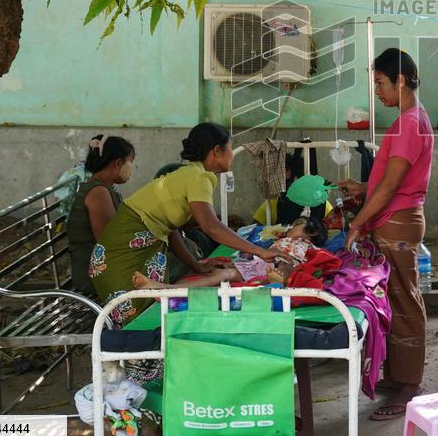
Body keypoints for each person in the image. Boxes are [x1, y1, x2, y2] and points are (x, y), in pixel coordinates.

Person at [89, 122, 288, 325]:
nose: (231, 154)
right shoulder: (200, 177)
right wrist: (259, 251)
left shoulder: (189, 174)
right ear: (217, 151)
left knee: (161, 305)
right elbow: (211, 226)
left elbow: (170, 227)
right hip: (122, 259)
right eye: (230, 147)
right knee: (150, 316)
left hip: (112, 257)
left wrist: (195, 265)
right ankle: (133, 353)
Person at [337, 48, 434, 421]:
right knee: (392, 300)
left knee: (405, 301)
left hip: (397, 221)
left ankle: (409, 384)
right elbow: (392, 179)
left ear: (401, 80)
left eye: (380, 82)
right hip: (394, 217)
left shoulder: (411, 122)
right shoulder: (409, 120)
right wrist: (362, 187)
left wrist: (358, 222)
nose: (376, 91)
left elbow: (393, 185)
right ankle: (397, 376)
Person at [132, 217, 328, 290]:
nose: (290, 228)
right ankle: (169, 289)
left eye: (296, 225)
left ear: (312, 232)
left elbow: (318, 262)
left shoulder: (310, 247)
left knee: (287, 266)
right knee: (219, 273)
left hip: (283, 264)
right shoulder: (278, 240)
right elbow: (254, 253)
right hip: (261, 263)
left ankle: (163, 288)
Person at [67, 135, 135, 294]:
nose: (131, 170)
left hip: (104, 267)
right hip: (95, 274)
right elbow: (109, 243)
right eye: (130, 163)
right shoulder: (98, 192)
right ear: (118, 163)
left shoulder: (103, 188)